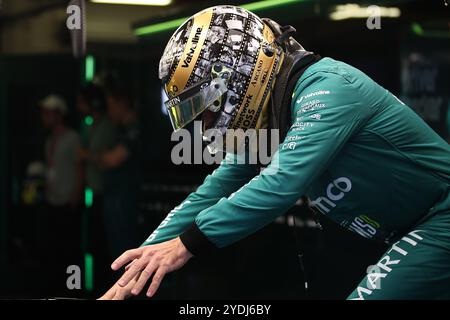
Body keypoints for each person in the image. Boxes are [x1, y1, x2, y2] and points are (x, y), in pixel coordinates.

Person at [100, 5, 450, 300]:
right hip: (407, 231)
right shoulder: (274, 117)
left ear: (237, 78)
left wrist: (187, 244)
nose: (206, 126)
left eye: (207, 109)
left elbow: (279, 184)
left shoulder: (329, 88)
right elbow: (211, 192)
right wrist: (127, 279)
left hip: (440, 217)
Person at [90, 87, 142, 261]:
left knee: (125, 248)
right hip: (115, 194)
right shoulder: (120, 129)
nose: (109, 110)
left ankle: (129, 287)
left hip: (124, 195)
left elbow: (112, 159)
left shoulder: (133, 129)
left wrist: (91, 156)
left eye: (111, 105)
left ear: (122, 104)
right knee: (117, 248)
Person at [40, 94, 83, 294]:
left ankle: (71, 290)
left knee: (69, 250)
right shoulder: (50, 140)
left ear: (59, 115)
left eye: (48, 112)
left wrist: (75, 194)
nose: (44, 116)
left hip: (68, 202)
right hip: (52, 201)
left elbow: (79, 167)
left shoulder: (72, 138)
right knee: (52, 250)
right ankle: (54, 290)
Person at [77, 83, 117, 292]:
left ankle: (105, 288)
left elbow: (104, 159)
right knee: (94, 244)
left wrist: (87, 156)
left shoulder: (106, 126)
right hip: (95, 194)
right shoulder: (91, 124)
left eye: (82, 101)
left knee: (105, 246)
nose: (79, 106)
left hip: (106, 195)